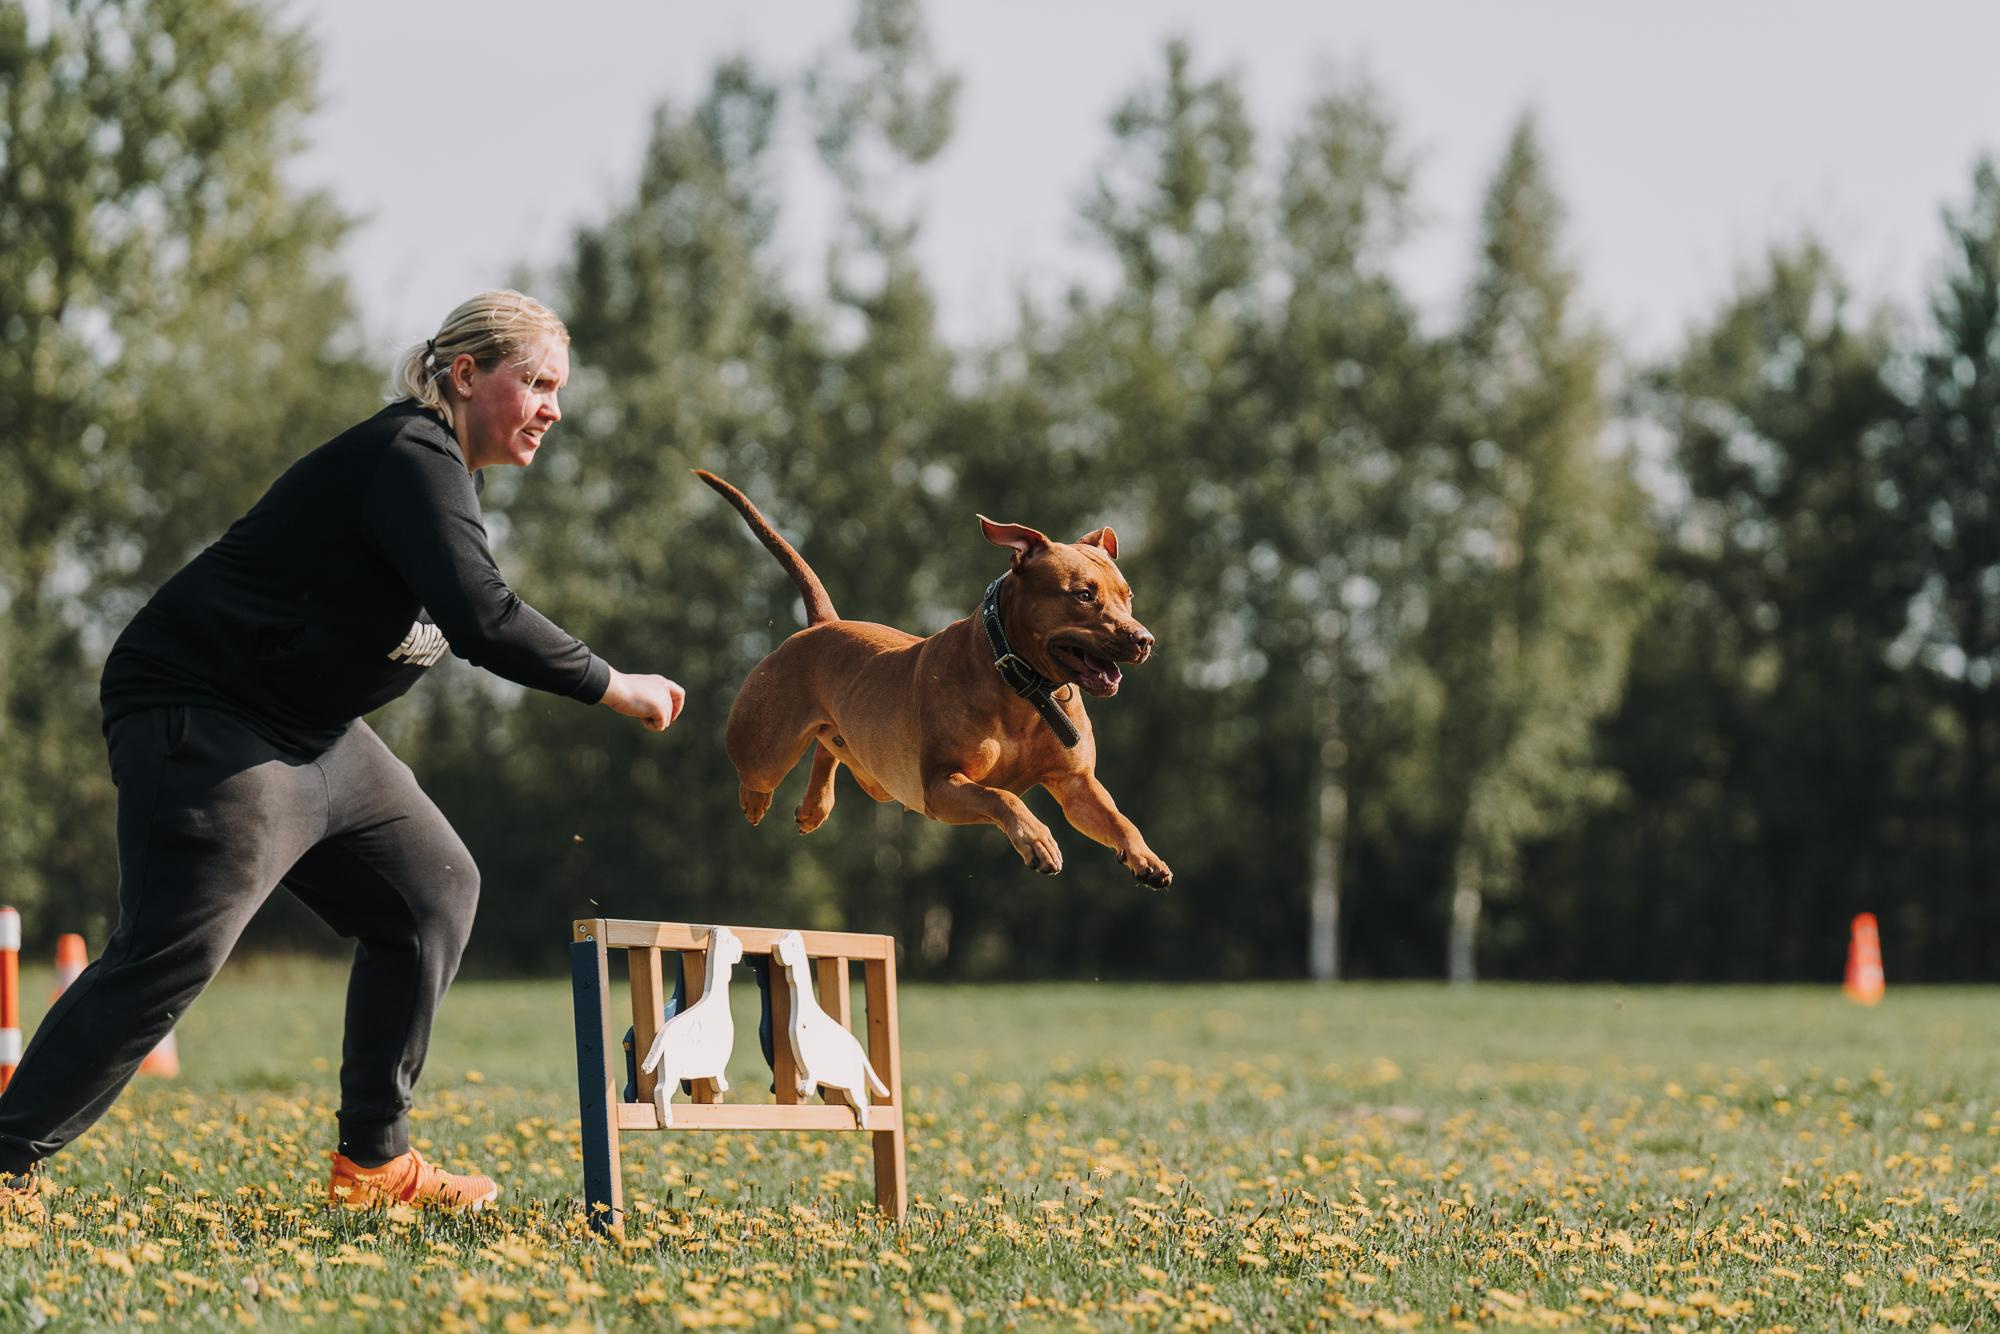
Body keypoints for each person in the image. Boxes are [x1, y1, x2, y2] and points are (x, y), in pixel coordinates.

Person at [0, 291, 681, 1211]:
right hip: (204, 712)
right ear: (467, 374)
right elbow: (484, 621)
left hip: (313, 734)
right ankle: (5, 1158)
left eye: (560, 388)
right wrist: (614, 683)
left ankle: (375, 1165)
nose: (554, 407)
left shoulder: (452, 482)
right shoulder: (412, 453)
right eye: (538, 382)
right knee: (171, 950)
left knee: (431, 889)